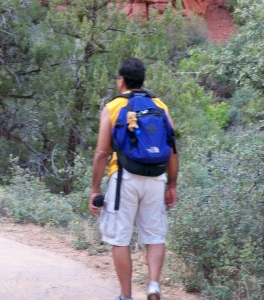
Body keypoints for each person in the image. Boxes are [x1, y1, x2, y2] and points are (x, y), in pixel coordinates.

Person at [90, 58, 179, 300]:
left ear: (121, 81)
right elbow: (172, 148)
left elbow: (101, 153)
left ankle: (126, 296)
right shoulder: (159, 105)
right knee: (154, 236)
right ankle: (153, 284)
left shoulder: (113, 107)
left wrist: (95, 189)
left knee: (120, 238)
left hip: (124, 179)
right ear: (142, 80)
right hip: (156, 178)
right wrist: (172, 185)